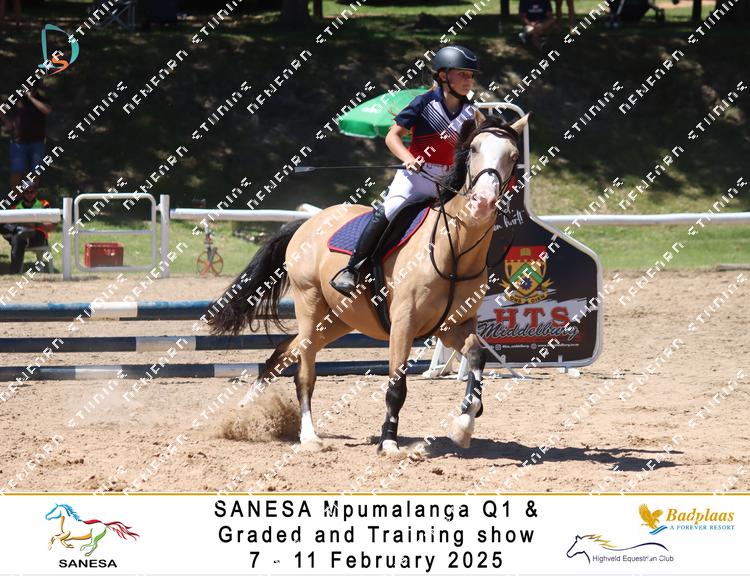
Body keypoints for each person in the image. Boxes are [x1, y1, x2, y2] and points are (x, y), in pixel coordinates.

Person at [330, 45, 480, 297]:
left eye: (471, 75)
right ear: (443, 76)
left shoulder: (472, 111)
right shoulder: (424, 102)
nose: (469, 80)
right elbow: (392, 137)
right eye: (462, 74)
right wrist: (408, 158)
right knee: (390, 209)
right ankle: (352, 269)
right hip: (416, 177)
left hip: (449, 181)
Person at [0, 84, 52, 194]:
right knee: (16, 170)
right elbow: (2, 109)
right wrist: (7, 122)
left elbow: (47, 110)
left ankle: (31, 195)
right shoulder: (16, 99)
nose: (28, 90)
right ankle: (16, 196)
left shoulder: (41, 99)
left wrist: (32, 98)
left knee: (36, 171)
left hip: (37, 141)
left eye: (31, 87)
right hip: (18, 141)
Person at [1, 177, 53, 274]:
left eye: (32, 192)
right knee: (17, 235)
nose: (29, 194)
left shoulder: (44, 204)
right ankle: (15, 272)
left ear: (36, 193)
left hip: (38, 236)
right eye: (26, 192)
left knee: (18, 237)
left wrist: (35, 224)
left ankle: (14, 272)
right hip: (20, 237)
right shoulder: (15, 207)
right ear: (22, 193)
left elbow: (50, 226)